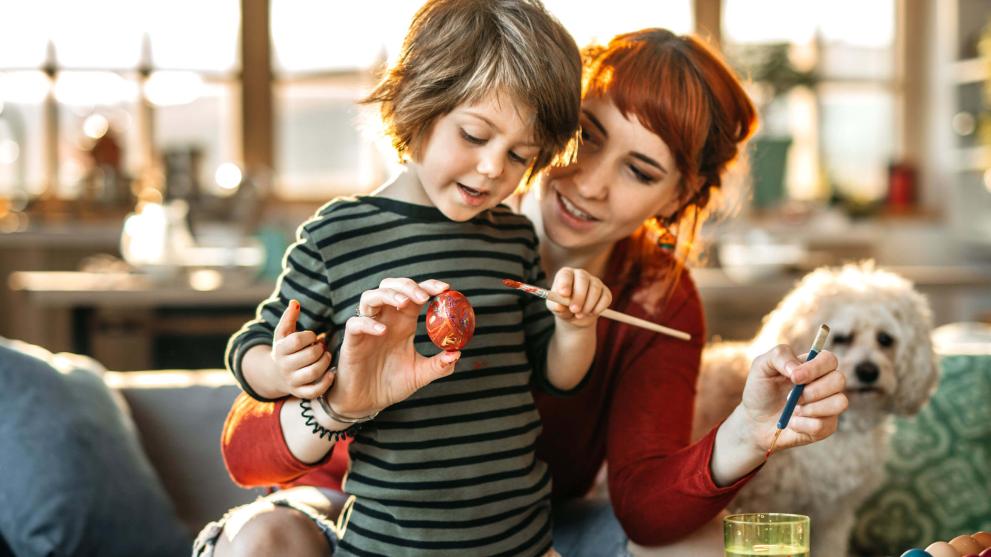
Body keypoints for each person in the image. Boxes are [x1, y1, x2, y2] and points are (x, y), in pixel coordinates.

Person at [196, 1, 613, 556]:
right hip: (388, 544)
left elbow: (556, 375)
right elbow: (249, 349)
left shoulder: (512, 239)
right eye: (474, 135)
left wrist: (576, 328)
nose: (494, 168)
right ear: (417, 106)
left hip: (521, 542)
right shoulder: (336, 235)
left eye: (519, 155)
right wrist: (282, 367)